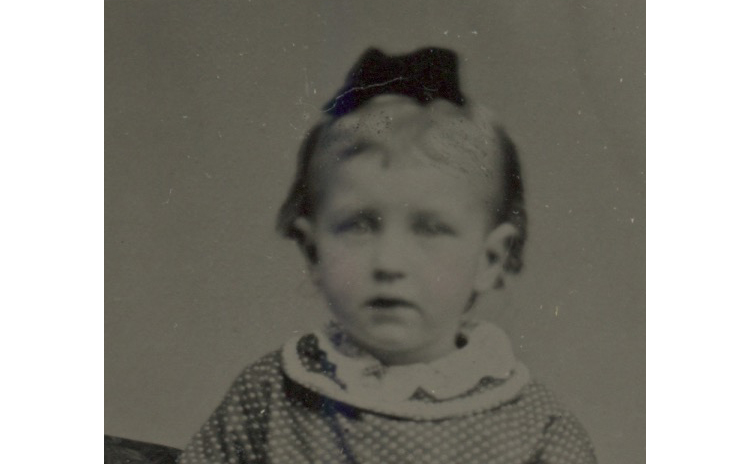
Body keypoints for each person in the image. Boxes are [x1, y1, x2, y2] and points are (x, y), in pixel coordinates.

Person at [177, 47, 597, 464]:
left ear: (490, 259)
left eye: (430, 229)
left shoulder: (534, 428)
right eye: (359, 226)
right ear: (313, 250)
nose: (389, 264)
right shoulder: (270, 395)